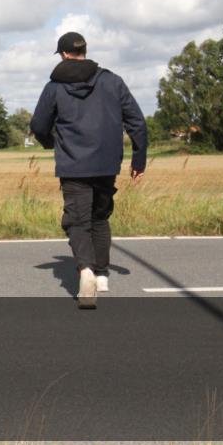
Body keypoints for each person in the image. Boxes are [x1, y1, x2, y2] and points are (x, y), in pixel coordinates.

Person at [30, 32, 147, 309]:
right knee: (100, 217)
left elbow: (38, 125)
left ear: (63, 54)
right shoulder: (112, 80)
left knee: (76, 221)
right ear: (84, 51)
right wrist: (138, 161)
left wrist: (51, 143)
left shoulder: (54, 87)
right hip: (107, 163)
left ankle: (86, 271)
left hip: (73, 164)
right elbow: (137, 122)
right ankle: (103, 275)